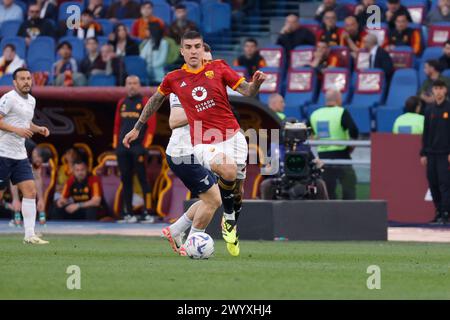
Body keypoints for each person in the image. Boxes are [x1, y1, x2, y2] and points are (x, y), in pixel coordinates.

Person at [123, 31, 267, 257]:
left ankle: (179, 230)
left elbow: (248, 91)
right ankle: (196, 241)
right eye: (188, 47)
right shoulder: (175, 80)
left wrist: (255, 85)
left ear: (203, 51)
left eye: (197, 47)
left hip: (228, 137)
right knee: (215, 194)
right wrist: (137, 127)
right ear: (182, 51)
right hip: (191, 147)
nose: (194, 52)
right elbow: (162, 109)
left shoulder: (218, 70)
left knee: (229, 192)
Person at [0, 67, 50, 244]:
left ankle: (30, 235)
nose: (26, 81)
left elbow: (26, 122)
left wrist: (38, 128)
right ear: (14, 82)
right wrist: (18, 131)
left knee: (30, 191)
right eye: (22, 79)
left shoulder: (31, 101)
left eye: (28, 78)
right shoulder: (8, 98)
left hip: (20, 155)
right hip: (2, 153)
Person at [113, 75, 157, 223]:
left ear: (139, 85)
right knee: (125, 180)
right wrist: (116, 145)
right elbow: (117, 126)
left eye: (135, 83)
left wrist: (145, 146)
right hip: (123, 148)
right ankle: (128, 213)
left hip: (138, 148)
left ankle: (147, 212)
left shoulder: (145, 101)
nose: (132, 86)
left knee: (143, 180)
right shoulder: (122, 102)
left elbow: (151, 126)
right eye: (129, 83)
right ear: (125, 85)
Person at [309, 89, 359, 200]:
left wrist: (318, 140)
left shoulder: (315, 114)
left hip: (322, 156)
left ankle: (330, 212)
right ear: (338, 99)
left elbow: (308, 133)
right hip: (341, 154)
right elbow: (354, 130)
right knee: (349, 185)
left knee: (328, 188)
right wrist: (351, 147)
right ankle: (349, 210)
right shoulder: (341, 111)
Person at [420, 80, 450, 224]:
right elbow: (426, 133)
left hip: (445, 153)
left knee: (445, 184)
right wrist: (423, 153)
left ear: (445, 90)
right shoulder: (429, 110)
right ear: (432, 91)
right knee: (433, 183)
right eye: (436, 88)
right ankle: (438, 212)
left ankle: (446, 213)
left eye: (440, 88)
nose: (438, 91)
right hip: (431, 154)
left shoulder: (449, 108)